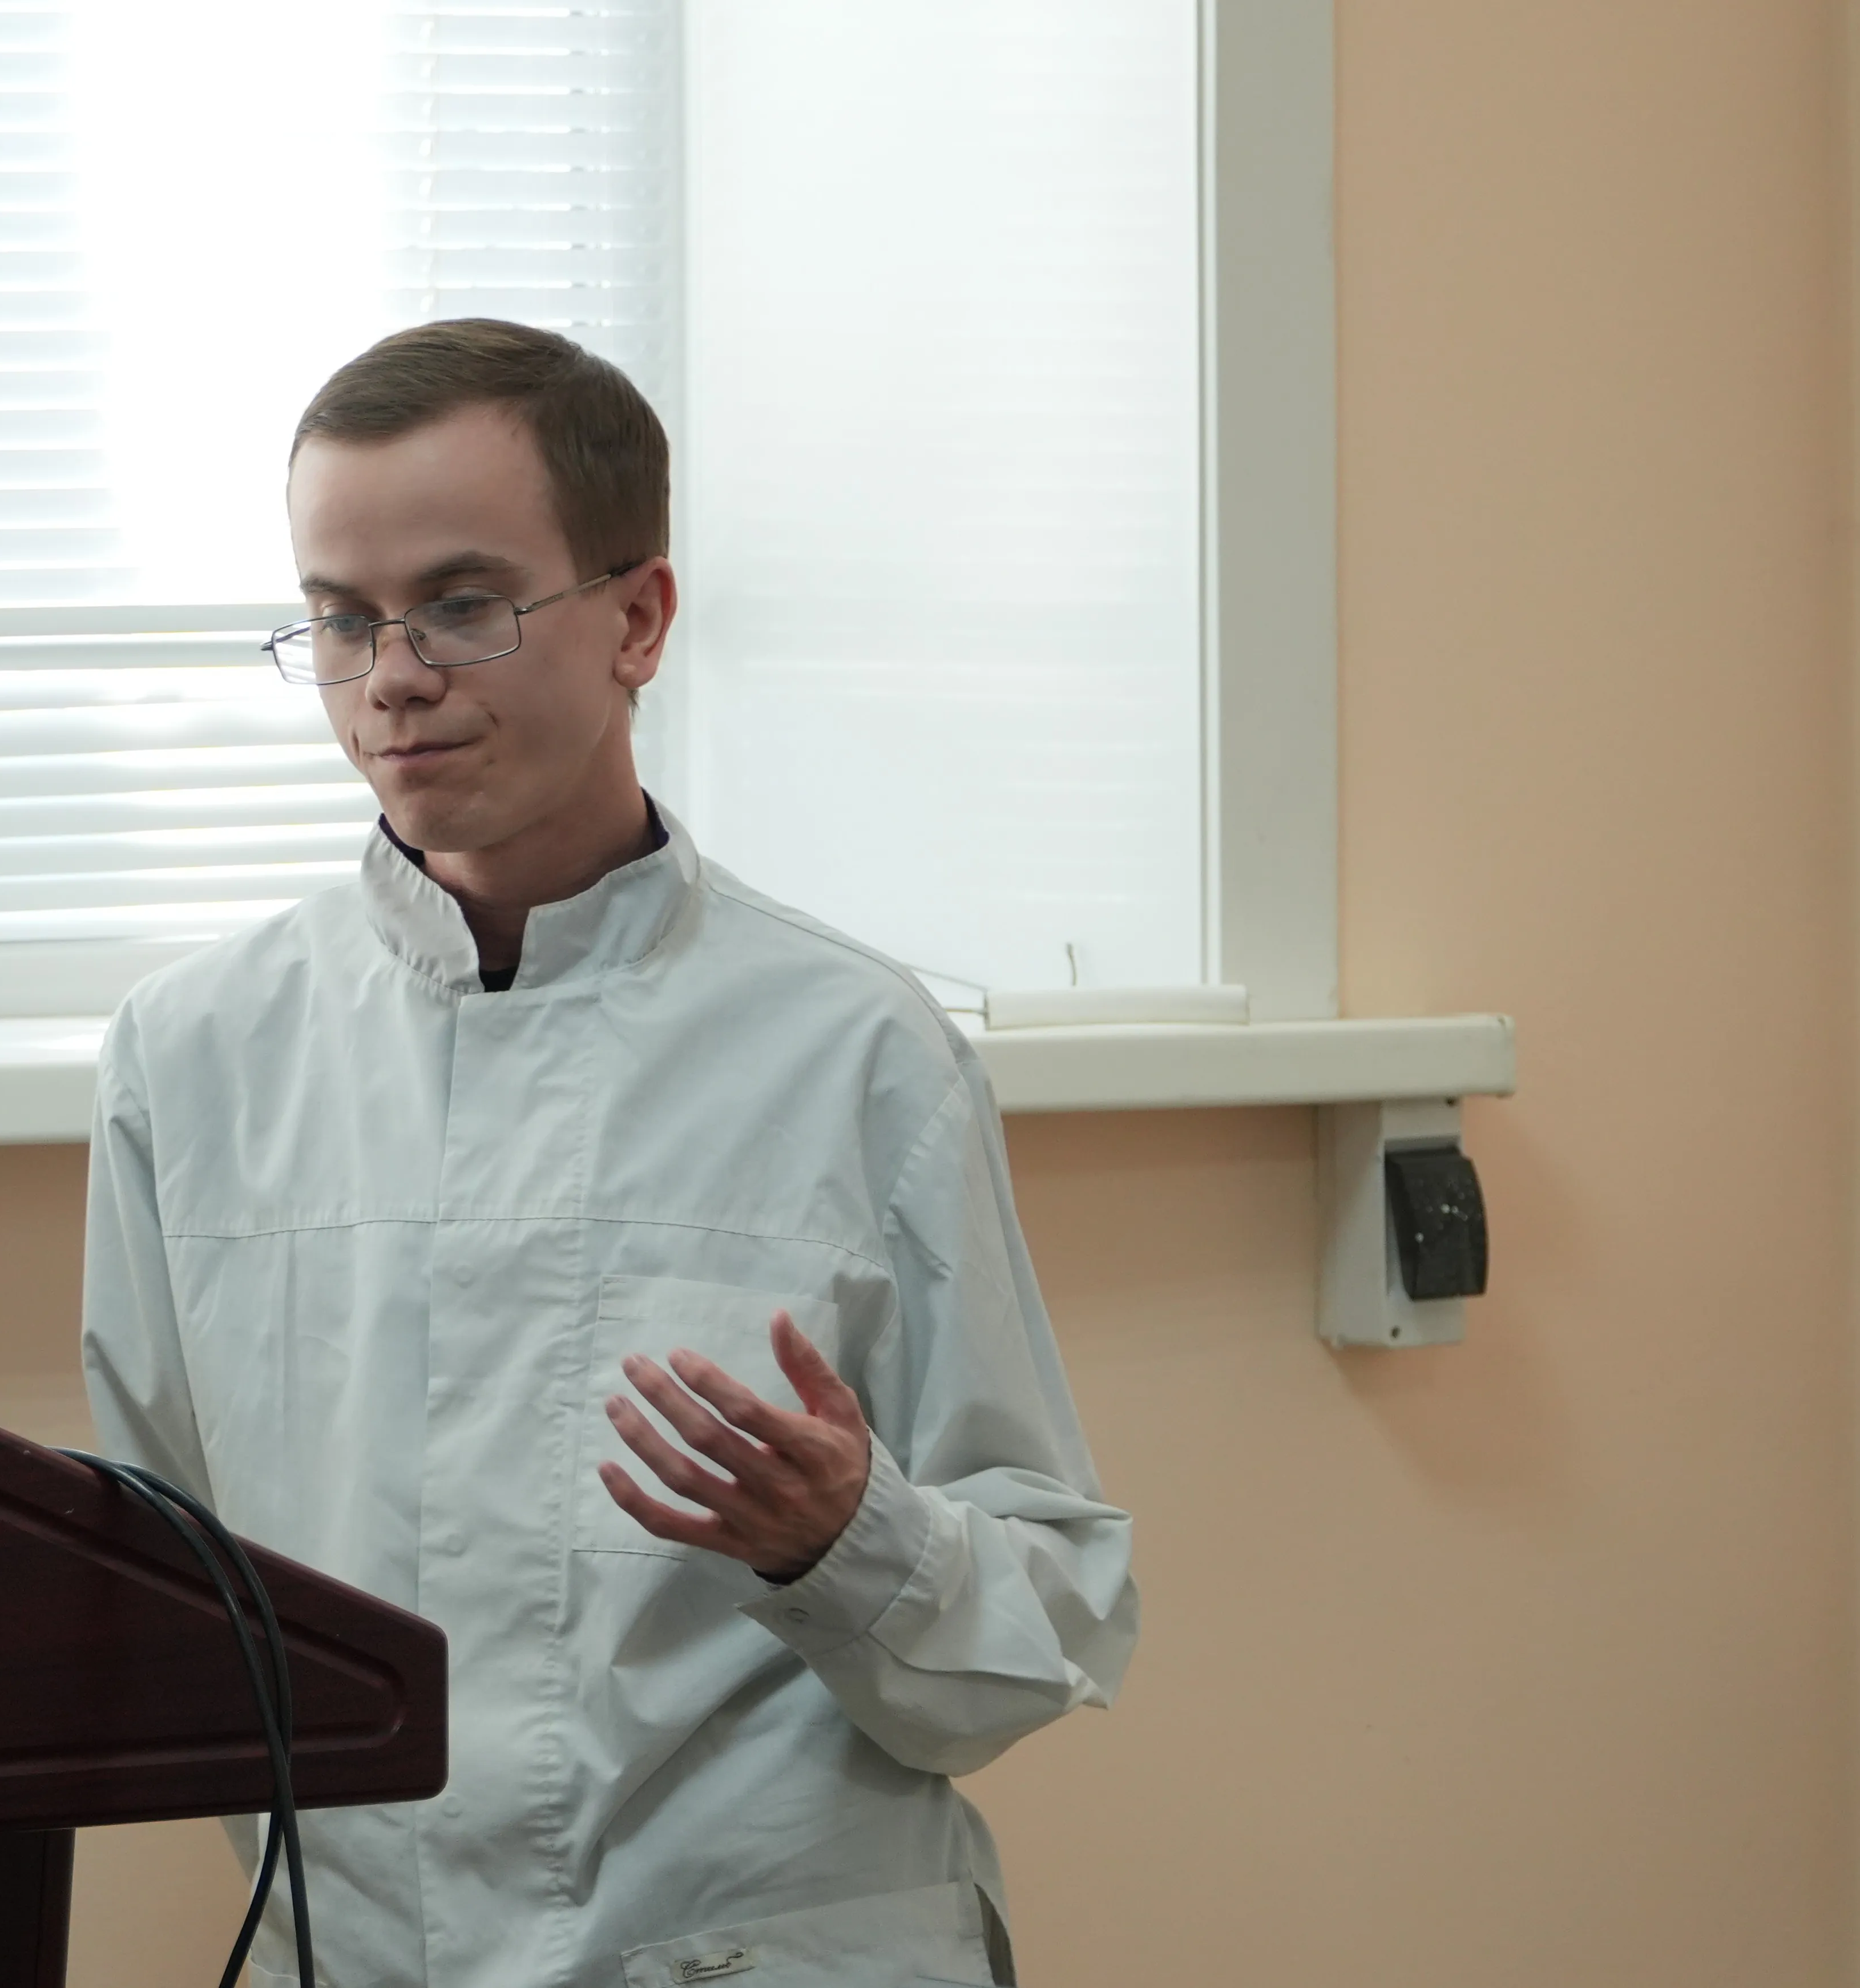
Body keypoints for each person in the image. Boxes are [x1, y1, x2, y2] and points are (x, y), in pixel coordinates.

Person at [80, 318, 1137, 1987]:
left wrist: (843, 1534)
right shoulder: (192, 1061)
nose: (393, 676)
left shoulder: (861, 1053)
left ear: (638, 618)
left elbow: (1037, 1638)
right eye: (342, 621)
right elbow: (171, 1594)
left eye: (463, 604)